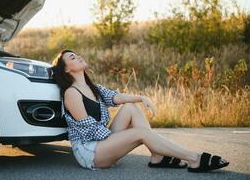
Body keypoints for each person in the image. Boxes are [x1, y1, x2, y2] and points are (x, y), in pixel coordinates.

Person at [50, 49, 229, 172]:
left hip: (102, 142)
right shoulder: (71, 93)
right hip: (90, 152)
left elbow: (116, 98)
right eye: (72, 57)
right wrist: (128, 136)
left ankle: (157, 156)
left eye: (77, 54)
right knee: (140, 133)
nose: (78, 56)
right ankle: (194, 158)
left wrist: (142, 98)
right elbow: (90, 129)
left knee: (130, 108)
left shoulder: (93, 87)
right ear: (66, 69)